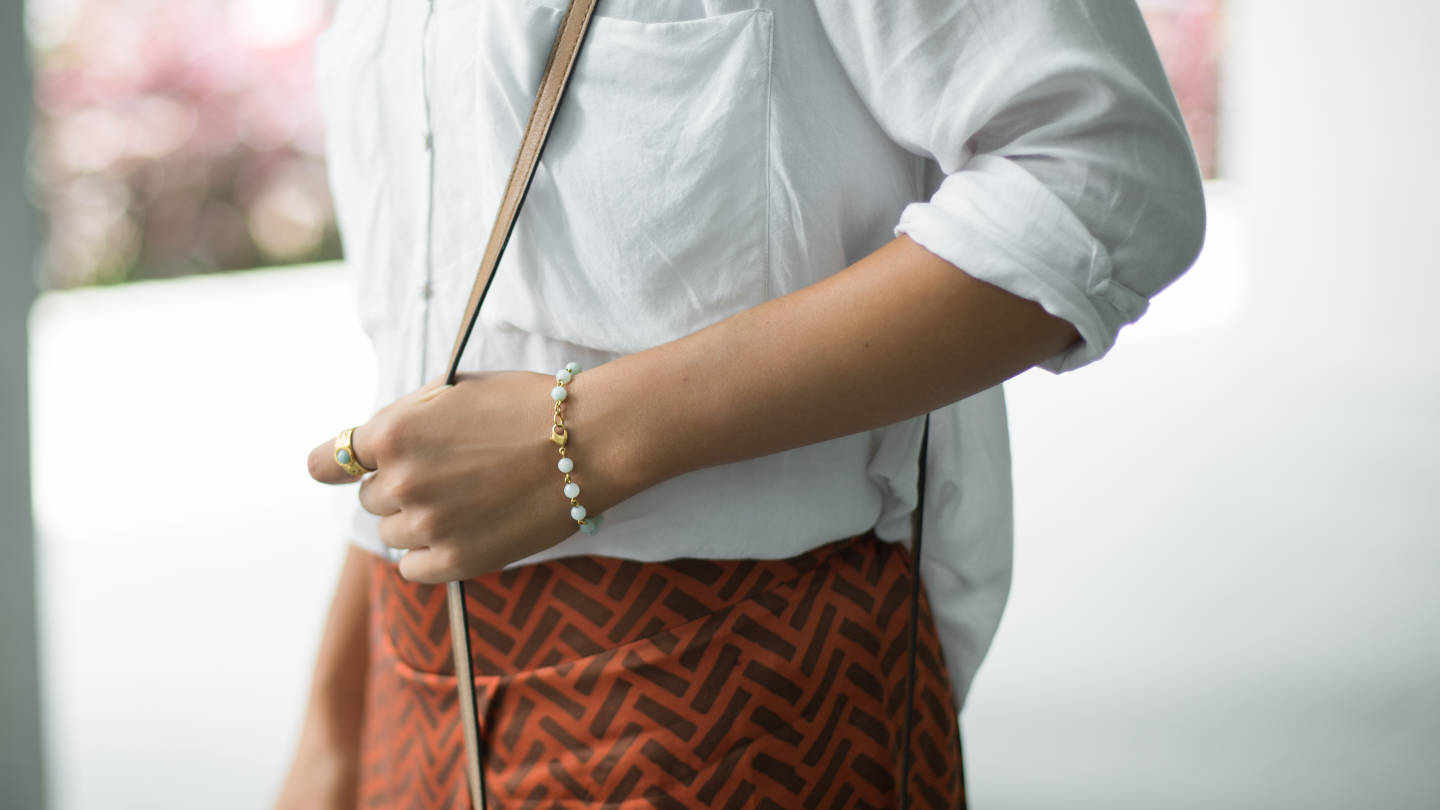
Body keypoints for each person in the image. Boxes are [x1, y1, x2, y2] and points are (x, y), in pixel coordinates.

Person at [274, 0, 1206, 807]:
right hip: (410, 701)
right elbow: (426, 362)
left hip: (734, 704)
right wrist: (332, 743)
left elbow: (1101, 180)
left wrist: (587, 438)